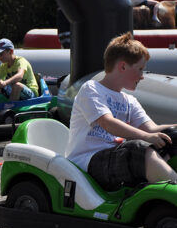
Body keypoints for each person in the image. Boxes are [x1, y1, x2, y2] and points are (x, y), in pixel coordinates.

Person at [66, 32, 177, 191]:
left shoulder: (129, 100)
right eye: (140, 69)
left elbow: (152, 130)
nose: (142, 76)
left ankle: (159, 182)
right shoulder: (91, 89)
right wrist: (146, 137)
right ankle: (172, 188)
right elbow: (107, 122)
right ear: (123, 66)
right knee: (137, 149)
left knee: (172, 135)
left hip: (114, 159)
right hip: (87, 162)